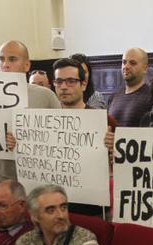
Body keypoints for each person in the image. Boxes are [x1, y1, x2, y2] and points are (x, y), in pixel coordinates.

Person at [52, 57, 117, 216]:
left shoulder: (105, 121)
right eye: (59, 82)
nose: (64, 87)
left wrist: (114, 150)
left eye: (71, 81)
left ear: (83, 84)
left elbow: (120, 166)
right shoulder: (45, 122)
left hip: (92, 208)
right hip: (57, 205)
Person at [0, 40, 62, 182]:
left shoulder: (45, 95)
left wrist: (24, 141)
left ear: (27, 65)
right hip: (0, 178)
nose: (5, 64)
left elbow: (62, 137)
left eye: (12, 59)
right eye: (1, 59)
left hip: (39, 177)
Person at [108, 47, 153, 127]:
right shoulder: (113, 97)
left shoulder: (151, 97)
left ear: (144, 68)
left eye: (132, 63)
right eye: (124, 62)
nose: (126, 67)